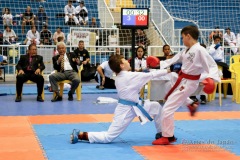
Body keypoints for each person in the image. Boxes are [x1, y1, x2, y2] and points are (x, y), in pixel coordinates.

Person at [70, 54, 171, 144]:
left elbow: (141, 75)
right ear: (122, 65)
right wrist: (169, 70)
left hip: (137, 103)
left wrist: (147, 69)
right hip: (125, 110)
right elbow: (151, 75)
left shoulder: (121, 76)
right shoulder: (128, 76)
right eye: (125, 60)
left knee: (157, 107)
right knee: (108, 137)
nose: (128, 61)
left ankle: (161, 133)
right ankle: (80, 135)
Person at [152, 25, 210, 145]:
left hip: (189, 82)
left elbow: (211, 66)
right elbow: (174, 59)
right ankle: (190, 103)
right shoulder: (186, 50)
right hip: (183, 79)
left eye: (182, 37)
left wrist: (210, 79)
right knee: (171, 78)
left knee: (167, 109)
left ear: (188, 36)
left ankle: (168, 137)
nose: (182, 40)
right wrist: (159, 63)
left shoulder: (200, 50)